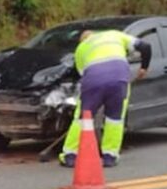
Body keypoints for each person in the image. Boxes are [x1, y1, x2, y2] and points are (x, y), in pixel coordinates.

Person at [59, 29, 151, 168]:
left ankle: (69, 155)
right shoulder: (115, 35)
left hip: (94, 79)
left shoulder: (81, 48)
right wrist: (144, 68)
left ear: (83, 40)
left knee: (83, 118)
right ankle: (110, 156)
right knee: (115, 119)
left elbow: (82, 74)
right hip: (119, 78)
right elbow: (146, 47)